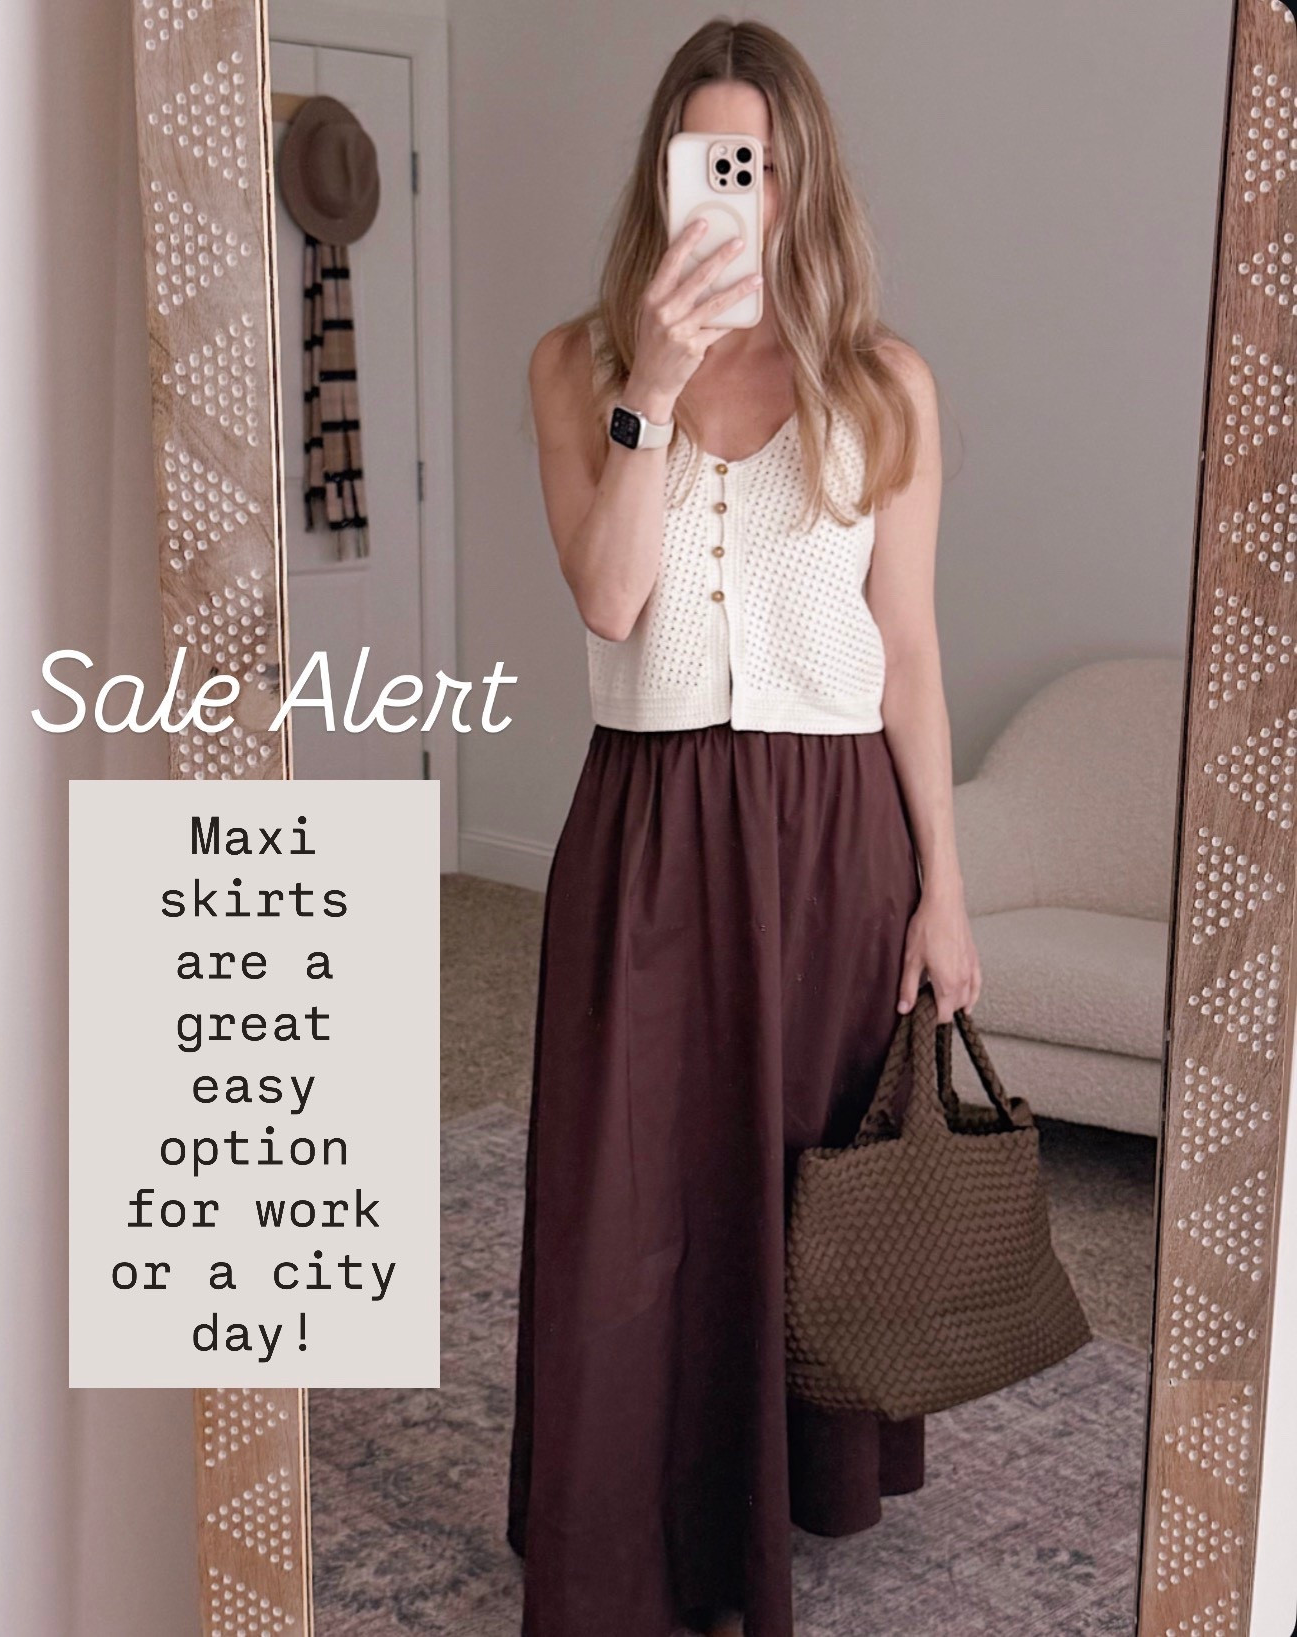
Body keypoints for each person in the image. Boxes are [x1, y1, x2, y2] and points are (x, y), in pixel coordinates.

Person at [507, 17, 981, 1637]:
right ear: (662, 174)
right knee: (629, 1190)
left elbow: (910, 654)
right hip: (645, 826)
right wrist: (651, 382)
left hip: (835, 836)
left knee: (804, 1184)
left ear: (801, 180)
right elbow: (610, 596)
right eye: (706, 160)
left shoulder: (884, 385)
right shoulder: (576, 365)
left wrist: (946, 890)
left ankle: (788, 1487)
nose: (733, 192)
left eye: (758, 166)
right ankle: (615, 1513)